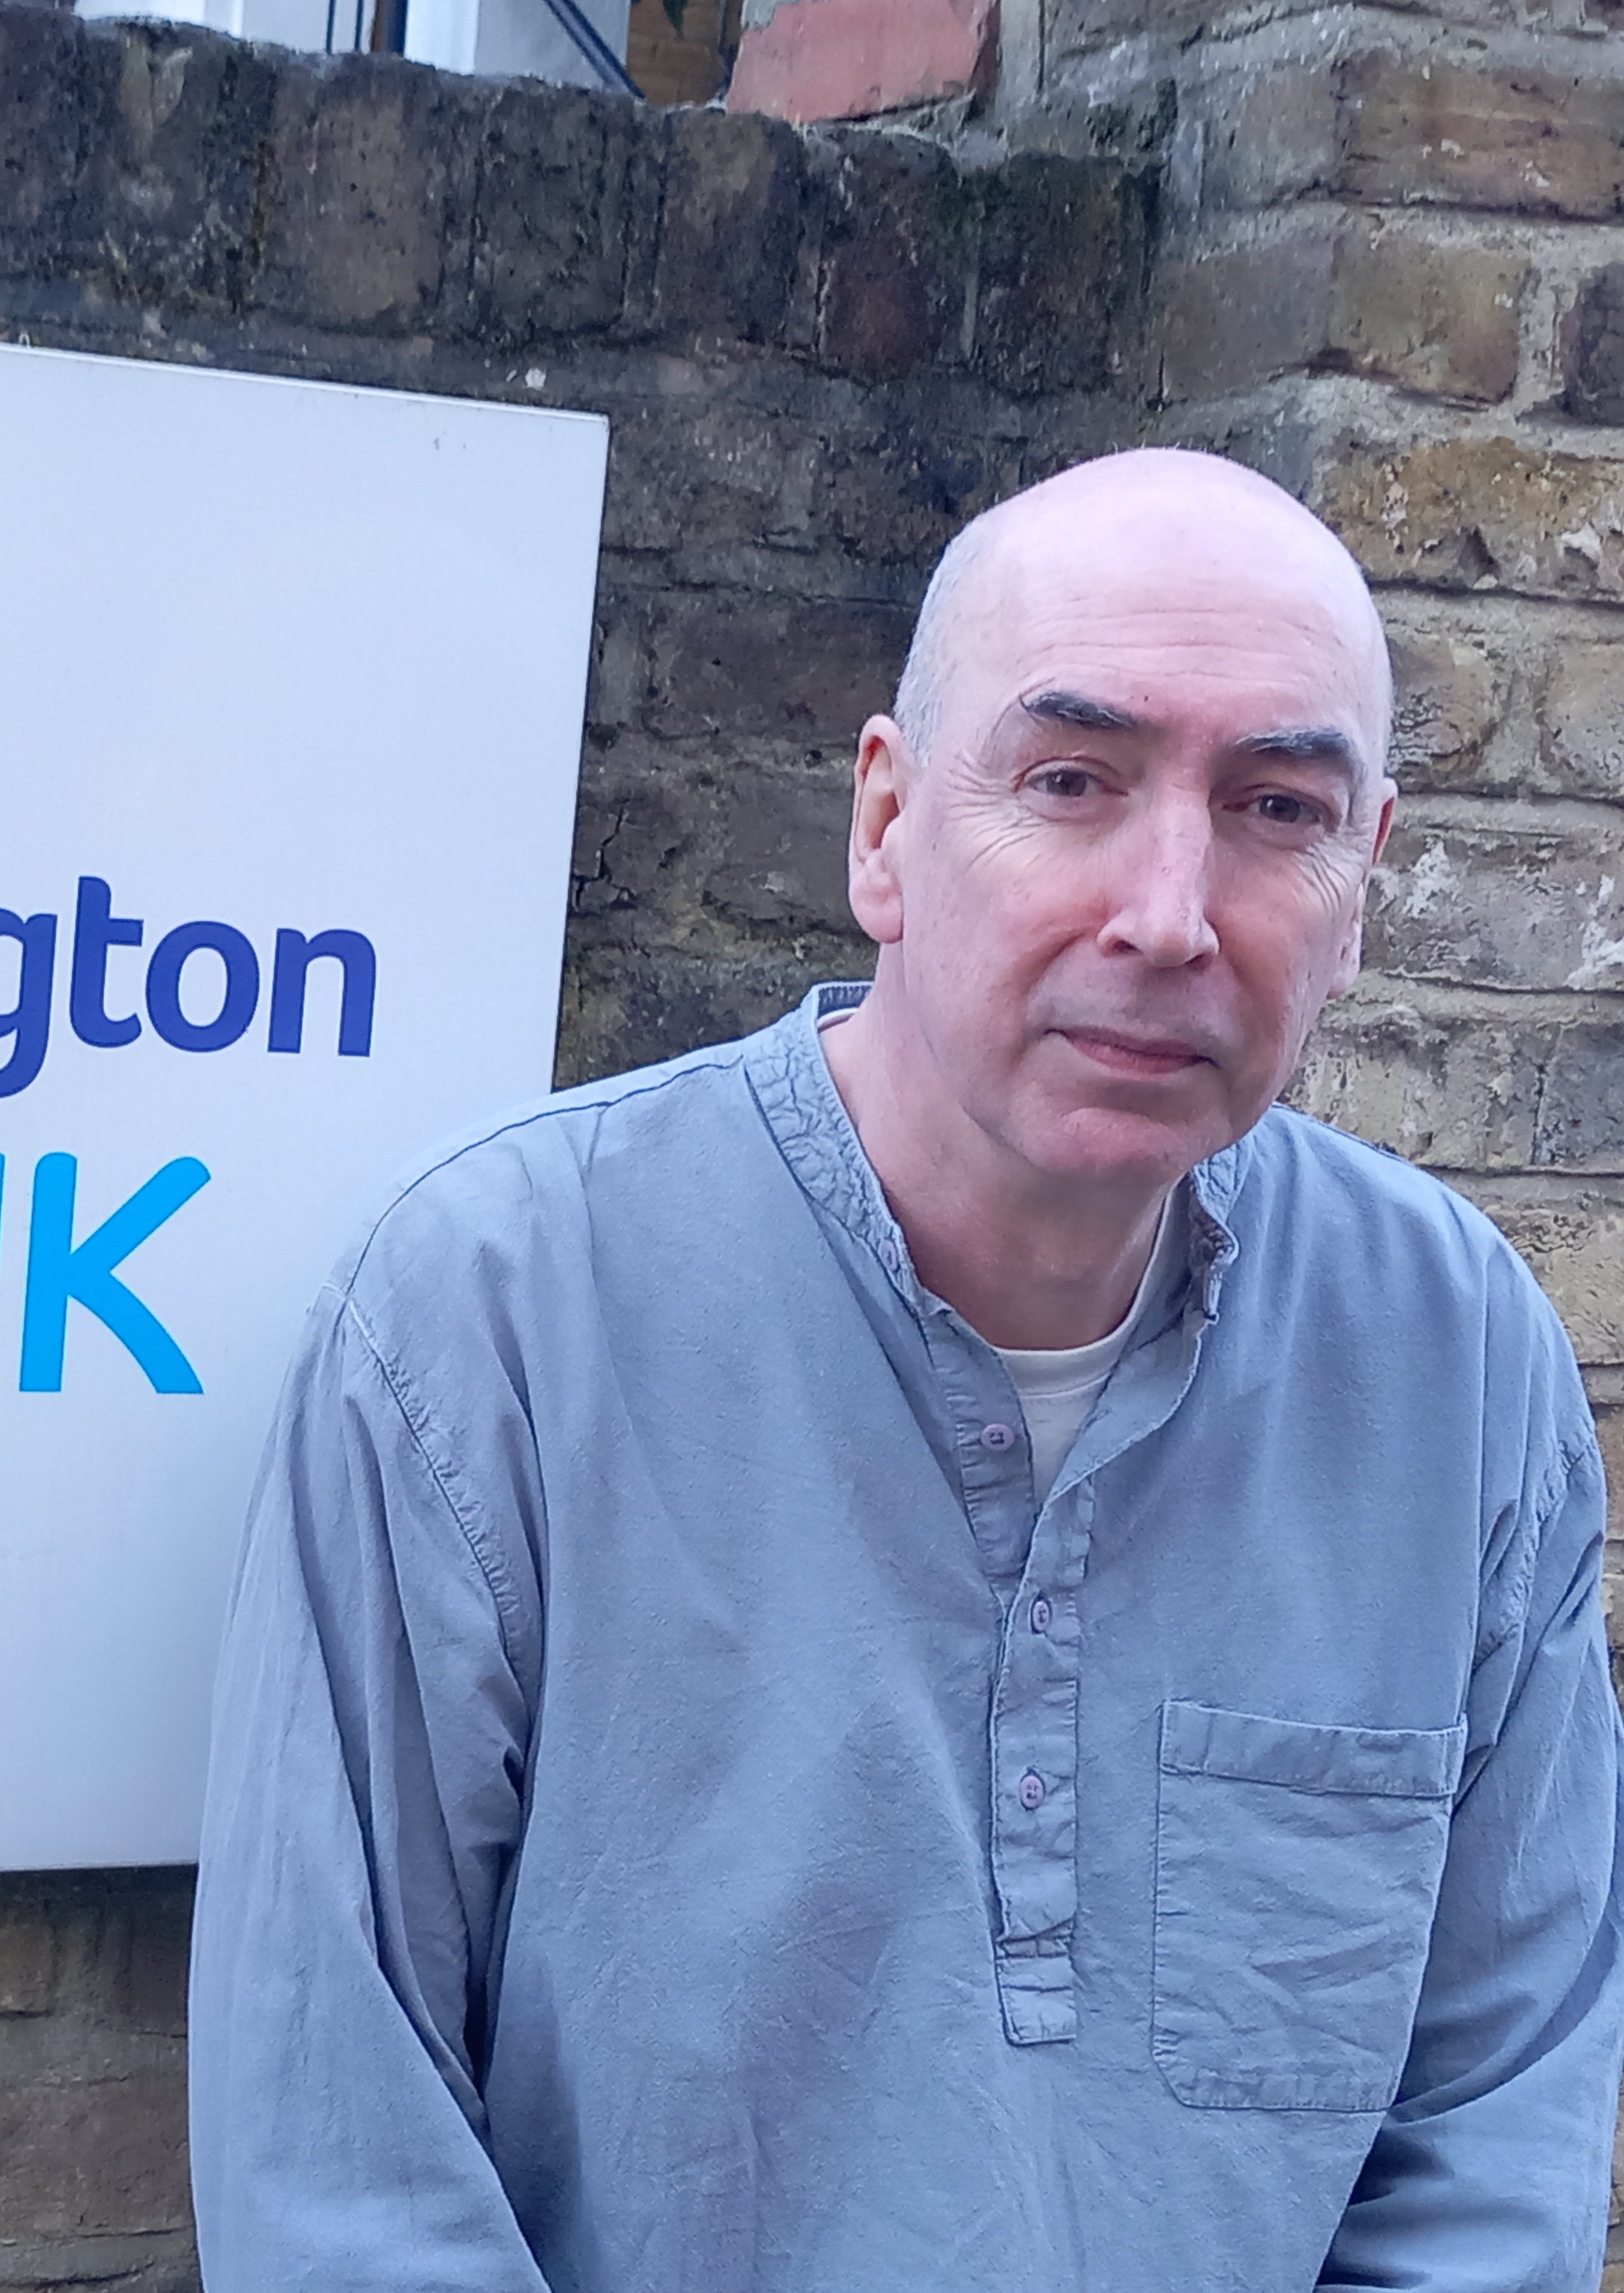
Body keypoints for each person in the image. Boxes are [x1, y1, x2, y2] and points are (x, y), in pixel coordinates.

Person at [187, 447, 1624, 2291]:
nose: (1170, 911)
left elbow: (1494, 2127)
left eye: (1276, 809)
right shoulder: (496, 1322)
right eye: (1072, 783)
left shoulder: (1458, 1369)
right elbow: (344, 2175)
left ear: (1359, 889)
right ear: (883, 825)